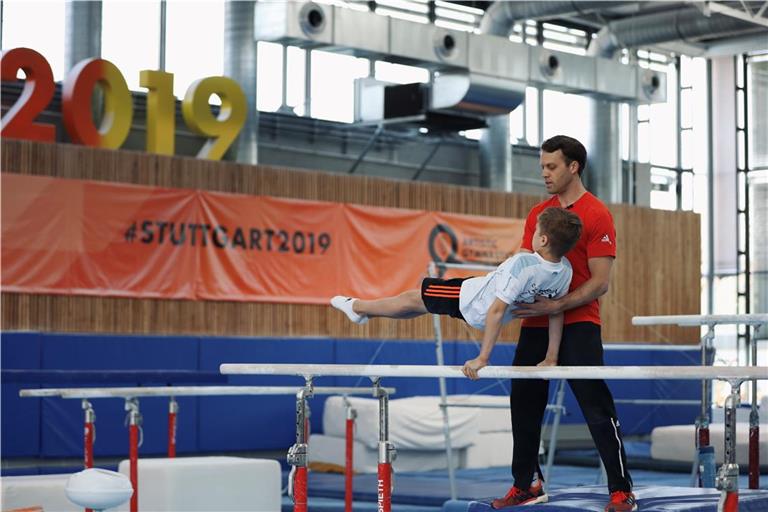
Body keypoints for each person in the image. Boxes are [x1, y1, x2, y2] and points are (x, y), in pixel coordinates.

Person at [465, 135, 636, 512]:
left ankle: (621, 490)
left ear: (573, 167)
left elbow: (600, 281)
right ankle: (526, 483)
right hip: (537, 322)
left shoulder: (596, 214)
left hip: (579, 322)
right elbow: (525, 266)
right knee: (523, 402)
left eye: (551, 166)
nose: (544, 173)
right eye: (542, 166)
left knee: (595, 404)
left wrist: (558, 303)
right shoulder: (538, 214)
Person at [331, 207, 582, 370]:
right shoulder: (566, 271)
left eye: (536, 231)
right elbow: (555, 312)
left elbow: (495, 311)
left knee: (413, 297)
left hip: (470, 298)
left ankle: (357, 305)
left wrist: (482, 358)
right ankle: (365, 312)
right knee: (419, 305)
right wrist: (551, 358)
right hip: (482, 303)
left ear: (543, 240)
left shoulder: (523, 263)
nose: (533, 235)